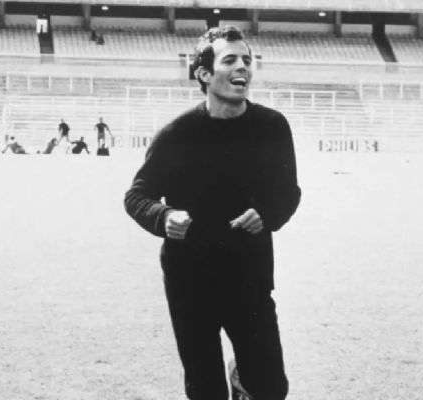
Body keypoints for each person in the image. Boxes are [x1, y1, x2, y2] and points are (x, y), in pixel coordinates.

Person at [124, 26, 301, 400]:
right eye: (230, 60)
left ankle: (243, 380)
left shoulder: (272, 128)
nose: (243, 67)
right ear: (204, 73)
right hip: (190, 279)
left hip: (249, 274)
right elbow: (137, 195)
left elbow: (288, 192)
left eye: (247, 60)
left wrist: (267, 214)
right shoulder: (177, 135)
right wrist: (163, 216)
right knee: (204, 388)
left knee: (270, 387)